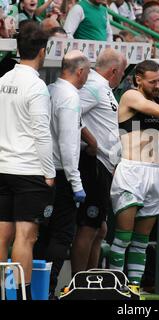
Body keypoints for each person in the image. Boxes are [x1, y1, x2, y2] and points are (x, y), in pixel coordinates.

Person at [109, 60, 159, 293]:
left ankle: (133, 288)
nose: (157, 86)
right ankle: (115, 287)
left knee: (141, 241)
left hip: (154, 173)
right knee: (123, 237)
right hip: (131, 170)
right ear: (138, 79)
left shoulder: (156, 101)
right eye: (152, 81)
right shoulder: (130, 97)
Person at [0, 21, 55, 300]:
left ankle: (2, 293)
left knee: (2, 237)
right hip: (28, 169)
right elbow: (42, 134)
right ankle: (22, 296)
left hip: (2, 167)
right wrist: (49, 172)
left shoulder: (2, 81)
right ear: (43, 52)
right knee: (25, 237)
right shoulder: (36, 86)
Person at [33, 50, 91, 299]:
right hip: (60, 175)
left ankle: (36, 289)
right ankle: (48, 289)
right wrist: (76, 182)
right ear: (80, 72)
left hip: (40, 171)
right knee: (62, 234)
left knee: (41, 234)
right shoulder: (69, 97)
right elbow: (69, 144)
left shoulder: (50, 90)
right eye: (87, 72)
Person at [70, 48, 127, 276]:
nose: (123, 77)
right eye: (123, 72)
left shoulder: (103, 89)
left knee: (100, 228)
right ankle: (79, 282)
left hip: (104, 165)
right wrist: (91, 141)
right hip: (93, 164)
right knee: (89, 226)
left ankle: (91, 278)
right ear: (114, 71)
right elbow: (68, 112)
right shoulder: (93, 87)